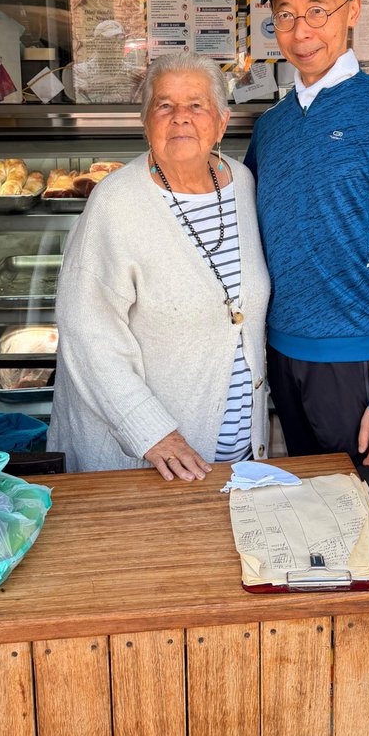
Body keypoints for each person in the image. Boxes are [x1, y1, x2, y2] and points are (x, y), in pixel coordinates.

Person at [245, 0, 369, 565]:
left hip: (356, 366)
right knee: (312, 523)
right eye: (286, 15)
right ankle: (323, 653)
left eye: (317, 10)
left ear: (352, 12)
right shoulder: (271, 127)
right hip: (284, 356)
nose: (301, 31)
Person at [49, 53, 270, 481]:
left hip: (236, 460)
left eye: (196, 105)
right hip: (144, 463)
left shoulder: (243, 183)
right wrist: (152, 433)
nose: (180, 118)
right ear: (146, 121)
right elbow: (87, 335)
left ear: (222, 123)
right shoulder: (115, 203)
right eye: (165, 105)